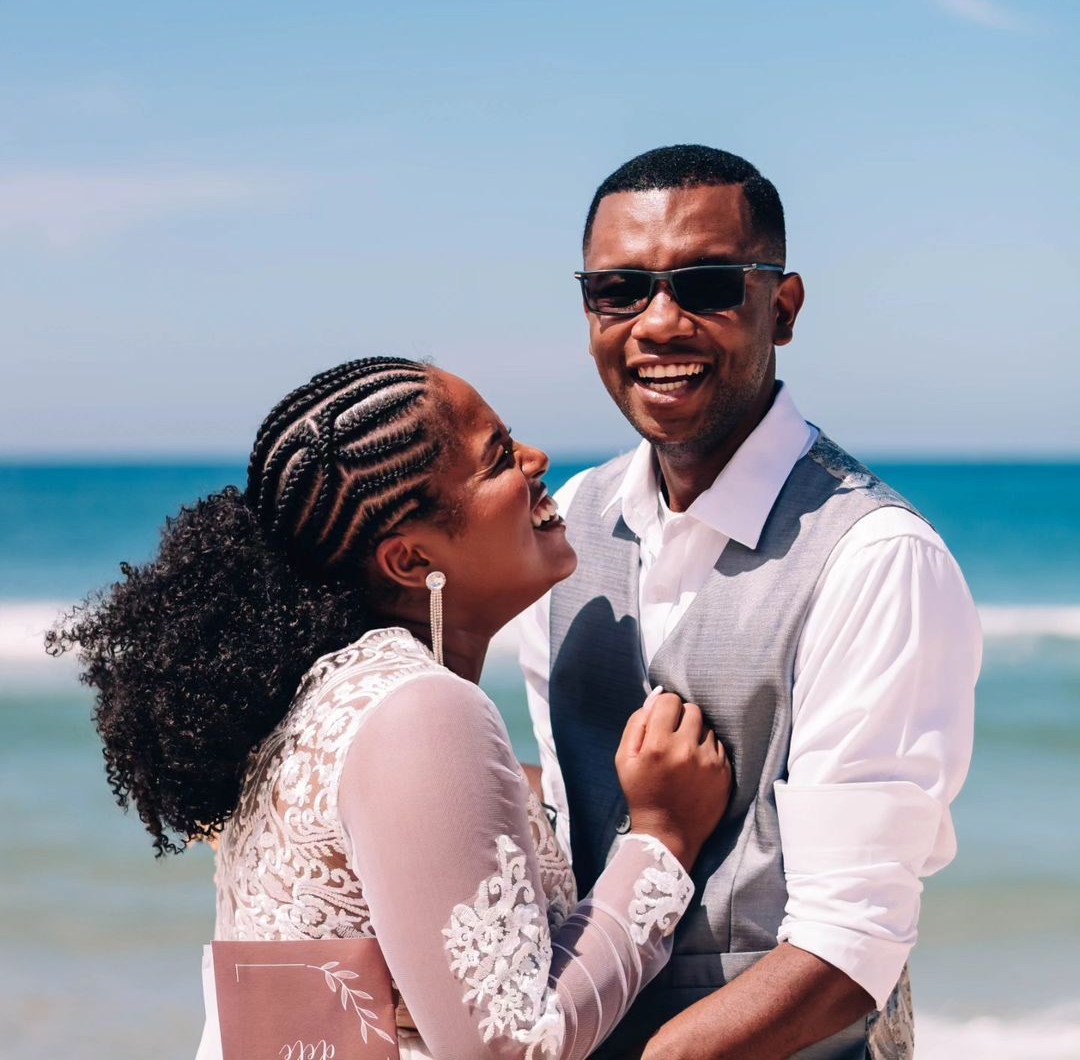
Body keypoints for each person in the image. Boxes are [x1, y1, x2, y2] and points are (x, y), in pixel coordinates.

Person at [48, 357, 734, 1059]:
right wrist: (662, 838)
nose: (537, 460)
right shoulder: (422, 711)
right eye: (498, 457)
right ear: (410, 561)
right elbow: (510, 1047)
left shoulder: (328, 698)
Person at [518, 146, 981, 1059]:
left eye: (707, 284)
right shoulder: (569, 520)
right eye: (619, 289)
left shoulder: (873, 557)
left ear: (785, 306)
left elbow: (851, 946)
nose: (658, 322)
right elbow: (571, 824)